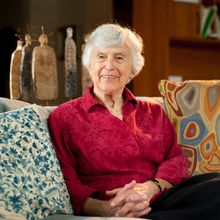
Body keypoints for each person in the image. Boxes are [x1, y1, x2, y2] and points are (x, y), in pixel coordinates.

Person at [48, 23, 220, 219]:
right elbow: (66, 180)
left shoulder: (153, 112)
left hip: (160, 198)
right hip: (107, 204)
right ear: (90, 65)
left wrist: (150, 188)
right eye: (101, 57)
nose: (109, 66)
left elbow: (176, 160)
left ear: (133, 69)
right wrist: (109, 209)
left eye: (119, 58)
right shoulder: (65, 116)